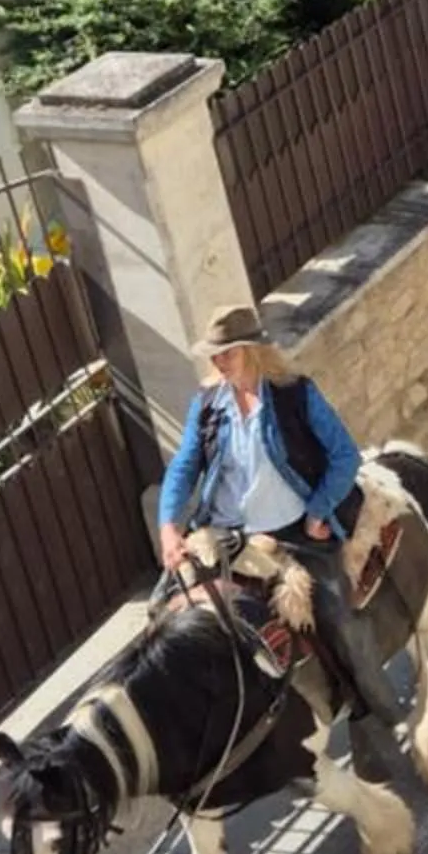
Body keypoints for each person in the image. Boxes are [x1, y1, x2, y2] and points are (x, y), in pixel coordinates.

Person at [158, 305, 399, 733]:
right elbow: (183, 466)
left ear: (251, 350)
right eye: (213, 354)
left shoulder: (295, 394)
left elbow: (344, 456)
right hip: (224, 534)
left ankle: (378, 709)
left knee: (337, 617)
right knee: (165, 610)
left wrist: (318, 511)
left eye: (226, 353)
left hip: (294, 533)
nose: (217, 362)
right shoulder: (209, 404)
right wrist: (169, 528)